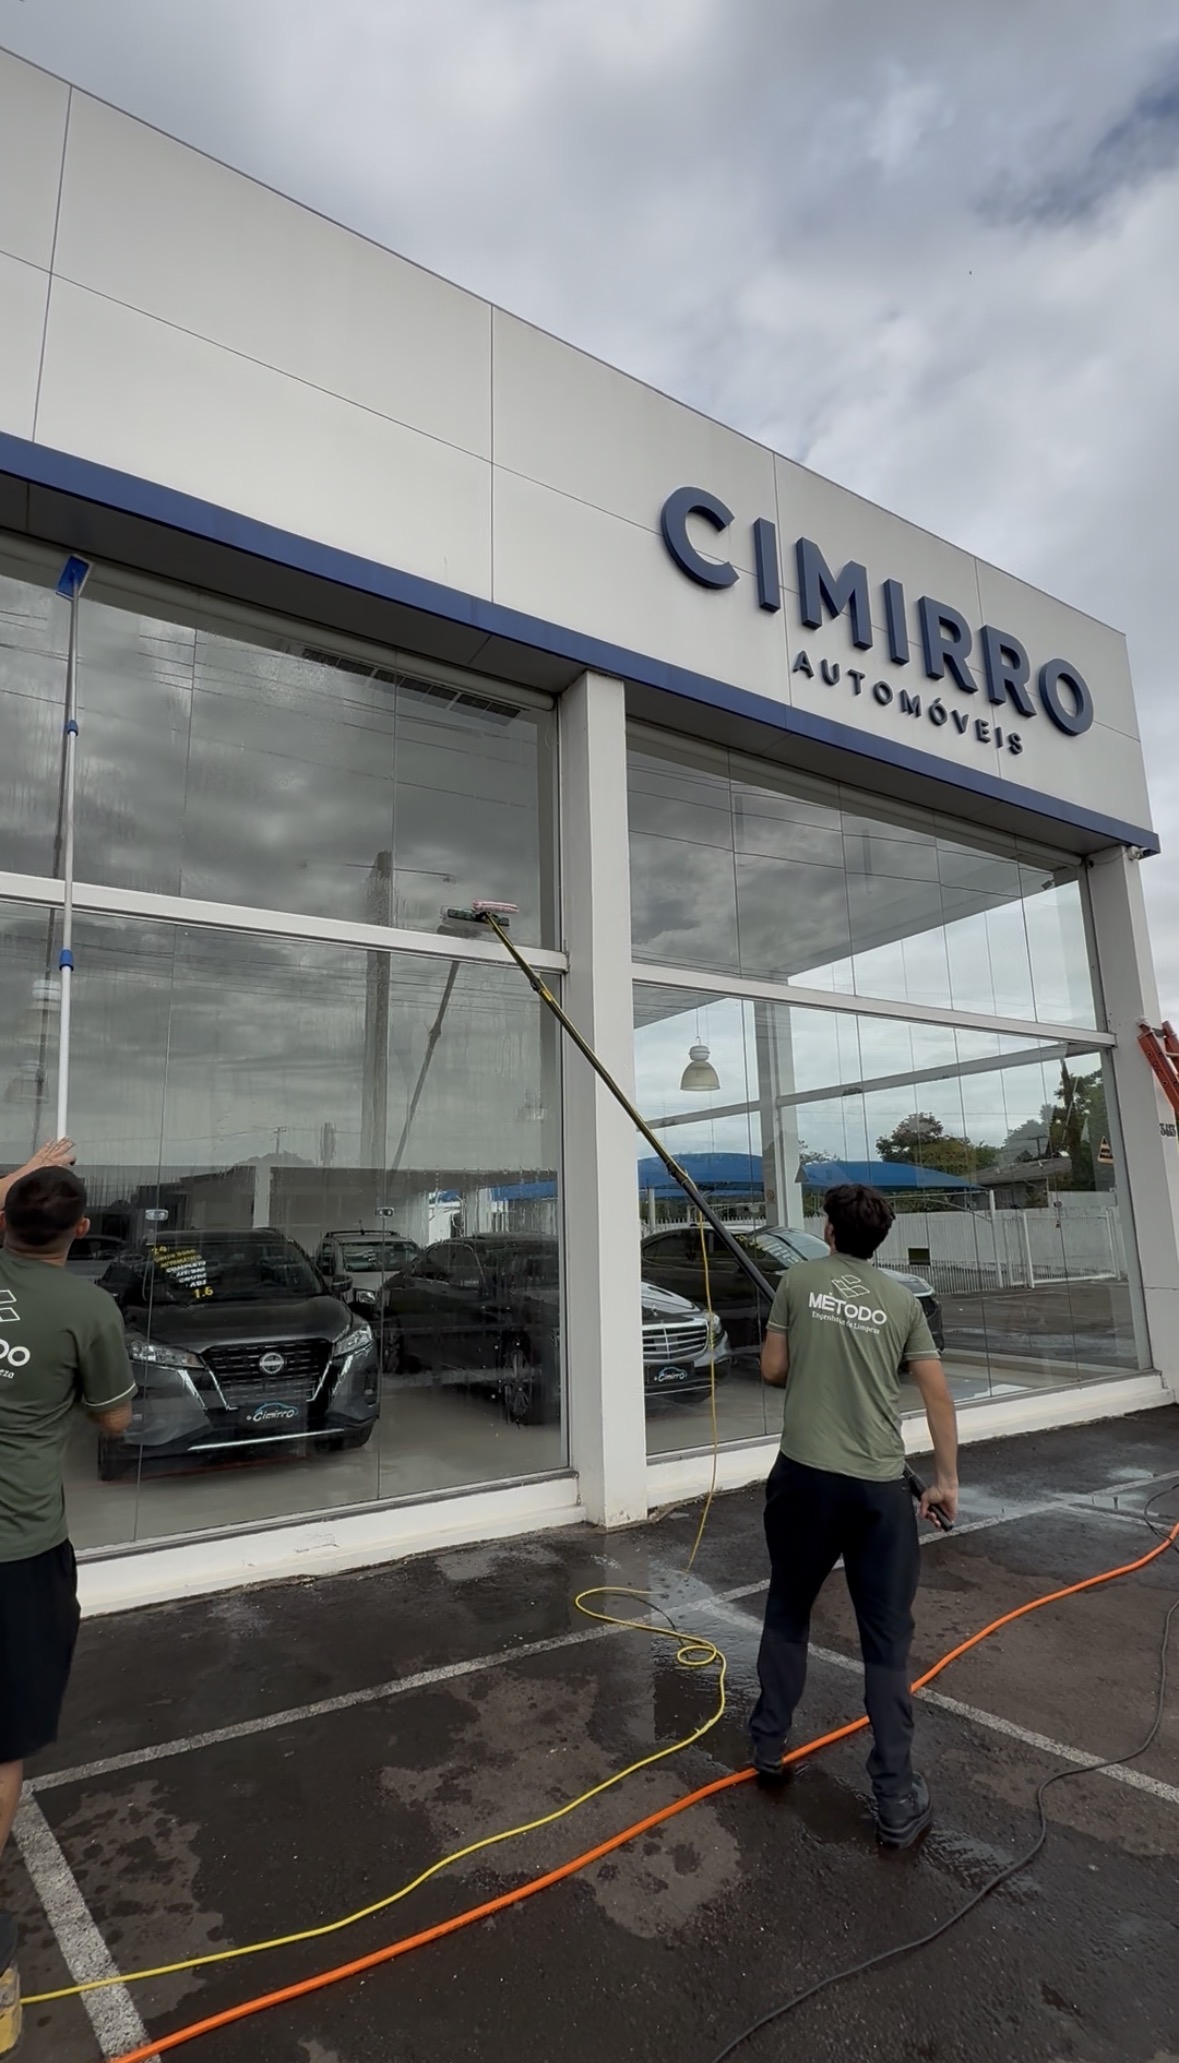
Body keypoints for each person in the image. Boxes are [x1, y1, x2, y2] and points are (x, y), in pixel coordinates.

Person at [750, 1182, 959, 1848]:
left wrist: (806, 1338)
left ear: (828, 1230)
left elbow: (772, 1370)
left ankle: (767, 1745)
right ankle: (895, 1798)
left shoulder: (796, 1279)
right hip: (876, 1492)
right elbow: (936, 1396)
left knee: (787, 1605)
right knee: (885, 1638)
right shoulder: (901, 1300)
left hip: (803, 1480)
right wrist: (946, 1481)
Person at [0, 1158, 134, 1880]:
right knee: (1, 1745)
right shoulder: (87, 1310)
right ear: (81, 1230)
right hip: (16, 1550)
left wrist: (23, 1174)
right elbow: (114, 1418)